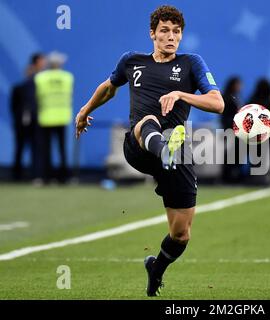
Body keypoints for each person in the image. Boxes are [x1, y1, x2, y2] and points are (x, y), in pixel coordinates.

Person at [75, 5, 224, 297]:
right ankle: (164, 147)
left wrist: (181, 94)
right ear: (152, 33)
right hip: (140, 145)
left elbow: (217, 103)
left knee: (181, 234)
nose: (171, 37)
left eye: (176, 32)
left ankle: (156, 269)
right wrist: (85, 110)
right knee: (149, 121)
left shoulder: (191, 63)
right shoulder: (132, 61)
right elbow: (109, 87)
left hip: (176, 154)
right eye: (165, 31)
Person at [34, 51, 74, 184]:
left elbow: (38, 96)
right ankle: (64, 177)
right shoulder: (68, 77)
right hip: (62, 116)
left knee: (46, 150)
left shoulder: (40, 77)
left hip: (45, 116)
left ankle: (46, 177)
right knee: (62, 149)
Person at [10, 53, 46, 180]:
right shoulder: (18, 88)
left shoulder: (40, 85)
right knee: (19, 148)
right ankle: (16, 175)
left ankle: (36, 174)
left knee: (36, 148)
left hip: (36, 122)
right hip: (21, 123)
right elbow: (13, 107)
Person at [221, 76, 242, 183]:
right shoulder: (227, 98)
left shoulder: (235, 97)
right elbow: (225, 116)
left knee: (234, 153)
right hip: (229, 129)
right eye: (238, 84)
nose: (240, 87)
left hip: (234, 129)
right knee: (230, 153)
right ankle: (227, 176)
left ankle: (233, 175)